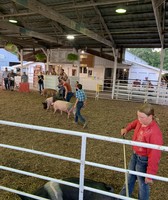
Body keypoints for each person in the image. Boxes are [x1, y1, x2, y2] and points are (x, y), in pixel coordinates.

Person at [119, 103, 163, 200]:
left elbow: (155, 155)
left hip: (144, 160)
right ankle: (123, 196)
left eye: (142, 117)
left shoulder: (155, 133)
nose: (139, 119)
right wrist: (127, 128)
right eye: (138, 116)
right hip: (135, 155)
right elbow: (135, 123)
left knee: (143, 184)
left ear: (150, 116)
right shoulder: (141, 122)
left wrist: (150, 175)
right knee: (129, 177)